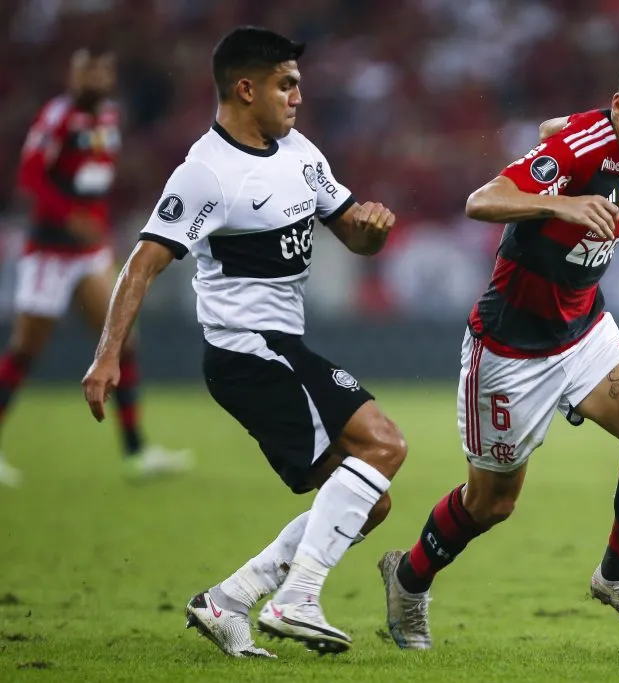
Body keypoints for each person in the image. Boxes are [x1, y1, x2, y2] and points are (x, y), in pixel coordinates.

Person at [81, 26, 406, 658]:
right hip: (246, 352)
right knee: (383, 444)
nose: (297, 98)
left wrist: (374, 229)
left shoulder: (302, 153)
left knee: (368, 501)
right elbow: (141, 264)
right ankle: (298, 599)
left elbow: (354, 235)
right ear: (245, 88)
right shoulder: (205, 174)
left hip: (282, 346)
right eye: (286, 85)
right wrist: (106, 353)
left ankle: (227, 599)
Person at [378, 42, 619, 650]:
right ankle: (409, 577)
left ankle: (616, 576)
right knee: (491, 504)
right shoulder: (583, 153)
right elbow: (482, 200)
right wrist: (562, 200)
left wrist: (564, 133)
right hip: (510, 350)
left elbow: (564, 128)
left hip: (583, 331)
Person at [0, 46, 191, 487]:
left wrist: (98, 225)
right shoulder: (57, 117)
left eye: (102, 72)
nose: (95, 79)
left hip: (89, 252)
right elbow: (30, 176)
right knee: (25, 350)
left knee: (122, 340)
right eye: (87, 71)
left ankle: (136, 453)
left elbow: (97, 175)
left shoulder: (108, 117)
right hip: (50, 251)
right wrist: (68, 214)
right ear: (74, 74)